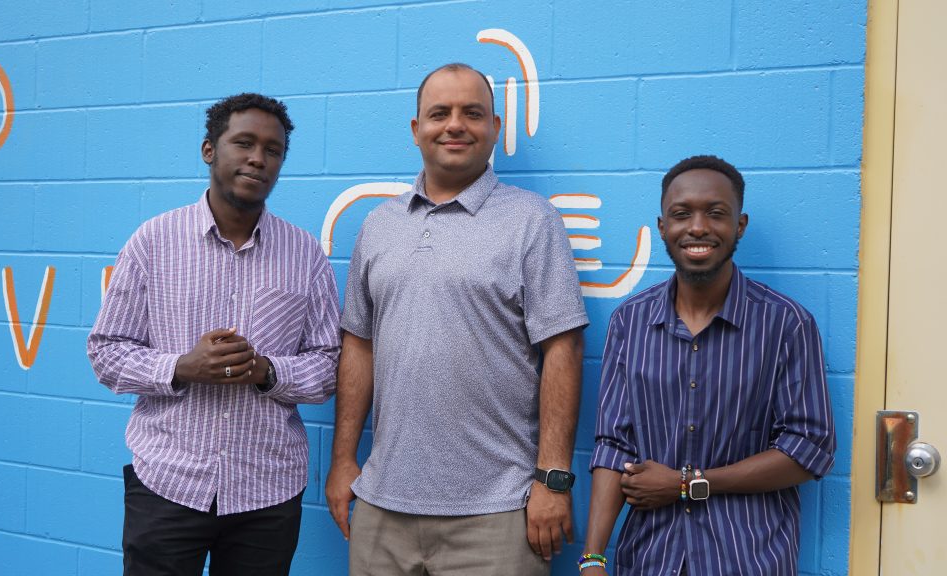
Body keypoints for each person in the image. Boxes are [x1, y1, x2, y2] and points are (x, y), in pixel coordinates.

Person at [325, 62, 589, 576]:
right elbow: (357, 345)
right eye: (439, 113)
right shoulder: (379, 225)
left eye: (472, 113)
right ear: (415, 129)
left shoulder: (532, 220)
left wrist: (553, 478)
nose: (454, 124)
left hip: (498, 512)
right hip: (382, 506)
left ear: (494, 127)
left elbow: (564, 348)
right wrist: (342, 463)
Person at [87, 93, 340, 576]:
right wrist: (183, 367)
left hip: (267, 490)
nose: (257, 158)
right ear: (209, 150)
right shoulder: (153, 241)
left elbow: (329, 363)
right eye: (243, 142)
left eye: (273, 149)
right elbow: (106, 352)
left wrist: (268, 372)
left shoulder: (305, 255)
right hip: (167, 483)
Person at [580, 155, 836, 576]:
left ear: (740, 225)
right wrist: (593, 557)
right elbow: (614, 444)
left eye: (716, 213)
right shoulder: (630, 321)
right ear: (663, 227)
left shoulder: (786, 324)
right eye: (682, 214)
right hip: (650, 557)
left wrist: (688, 483)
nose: (697, 227)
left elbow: (810, 449)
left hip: (747, 557)